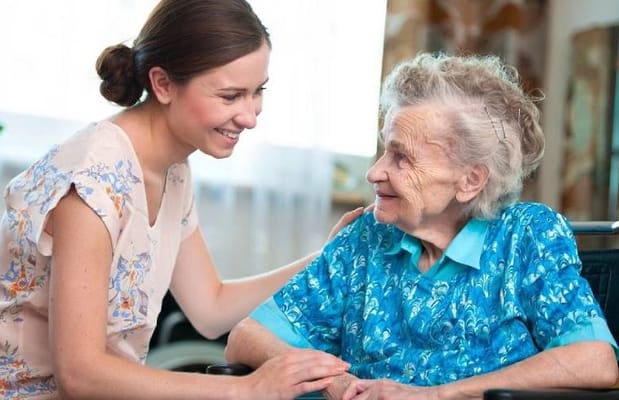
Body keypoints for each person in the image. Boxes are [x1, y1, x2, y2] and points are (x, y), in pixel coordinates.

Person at [0, 1, 358, 399]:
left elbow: (211, 308)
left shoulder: (172, 169)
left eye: (258, 91)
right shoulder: (91, 183)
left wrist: (326, 256)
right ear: (164, 84)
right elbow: (80, 374)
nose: (251, 116)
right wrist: (248, 389)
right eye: (230, 96)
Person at [224, 52, 619, 400]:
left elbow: (594, 360)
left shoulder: (527, 235)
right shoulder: (366, 238)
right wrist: (336, 383)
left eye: (401, 157)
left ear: (470, 181)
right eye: (384, 149)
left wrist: (436, 395)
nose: (374, 172)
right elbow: (246, 338)